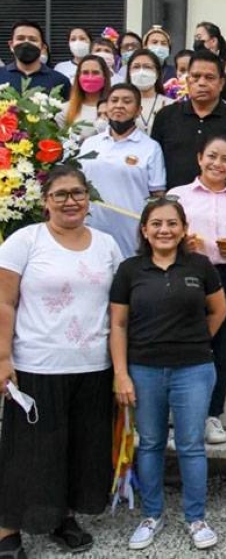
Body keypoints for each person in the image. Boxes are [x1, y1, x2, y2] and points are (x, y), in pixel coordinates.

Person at [0, 167, 123, 557]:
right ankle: (6, 529)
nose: (71, 201)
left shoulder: (107, 245)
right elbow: (4, 302)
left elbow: (118, 308)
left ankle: (61, 517)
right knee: (28, 451)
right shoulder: (25, 241)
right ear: (45, 202)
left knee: (79, 448)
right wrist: (2, 356)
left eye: (78, 193)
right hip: (37, 363)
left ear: (89, 199)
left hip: (92, 364)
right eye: (61, 194)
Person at [110, 197, 225, 551]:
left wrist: (193, 342)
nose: (164, 230)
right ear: (144, 229)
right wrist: (121, 374)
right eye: (156, 223)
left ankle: (196, 518)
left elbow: (218, 311)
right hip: (143, 369)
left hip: (193, 369)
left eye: (172, 223)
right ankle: (152, 516)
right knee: (151, 444)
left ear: (183, 228)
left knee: (191, 445)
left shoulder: (201, 266)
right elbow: (117, 324)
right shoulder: (130, 270)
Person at [170, 135, 226, 445]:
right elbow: (163, 231)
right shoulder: (178, 196)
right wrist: (182, 243)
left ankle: (212, 415)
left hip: (225, 276)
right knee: (181, 342)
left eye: (225, 159)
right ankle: (178, 416)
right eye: (212, 156)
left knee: (219, 344)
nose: (217, 163)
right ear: (199, 158)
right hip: (184, 274)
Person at [79, 83, 167, 255]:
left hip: (131, 233)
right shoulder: (90, 143)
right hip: (90, 228)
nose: (119, 105)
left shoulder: (150, 147)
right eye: (114, 100)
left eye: (127, 101)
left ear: (138, 110)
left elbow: (157, 195)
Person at [151, 50, 226, 195]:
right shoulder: (166, 116)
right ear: (187, 81)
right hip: (175, 207)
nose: (202, 83)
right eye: (196, 77)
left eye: (209, 77)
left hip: (223, 208)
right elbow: (156, 167)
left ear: (221, 83)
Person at [0, 21, 72, 96]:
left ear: (43, 47)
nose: (26, 43)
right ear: (11, 45)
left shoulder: (60, 81)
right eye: (20, 38)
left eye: (33, 40)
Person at [58, 55, 112, 138]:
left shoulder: (115, 107)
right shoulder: (65, 109)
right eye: (85, 73)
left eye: (95, 73)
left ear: (104, 76)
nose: (90, 77)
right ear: (78, 77)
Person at [126, 49, 175, 133]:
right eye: (136, 67)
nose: (141, 72)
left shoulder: (171, 104)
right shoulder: (120, 104)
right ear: (129, 72)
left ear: (157, 73)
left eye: (147, 67)